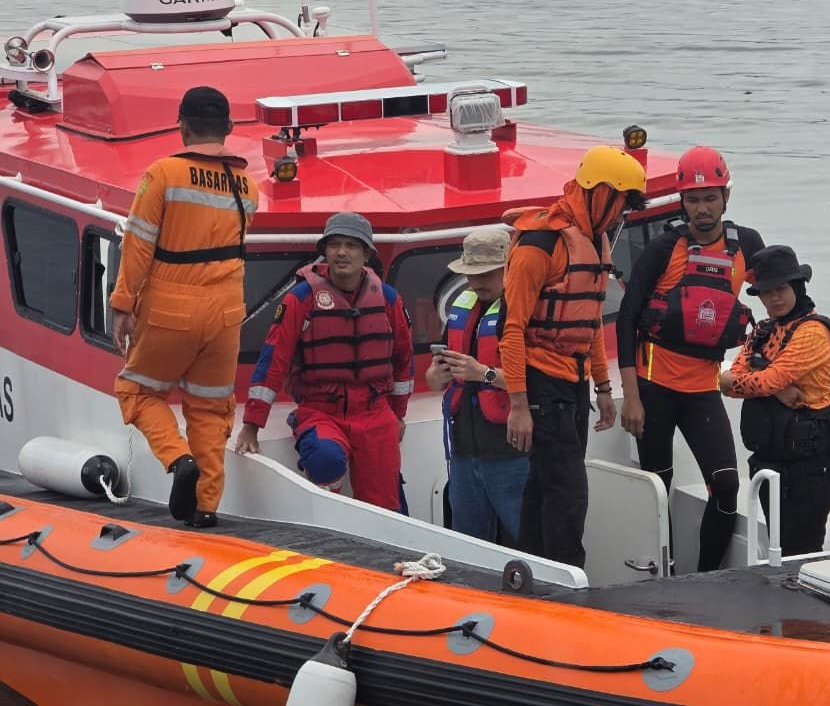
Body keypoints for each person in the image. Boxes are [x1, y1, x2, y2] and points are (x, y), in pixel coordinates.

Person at [110, 86, 257, 528]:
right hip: (227, 313)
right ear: (229, 128)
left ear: (182, 126)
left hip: (171, 307)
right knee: (210, 409)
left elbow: (138, 244)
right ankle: (205, 507)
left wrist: (122, 304)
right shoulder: (247, 185)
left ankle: (179, 460)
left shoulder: (163, 174)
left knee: (136, 391)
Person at [615, 145, 765, 572]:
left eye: (710, 198)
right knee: (658, 487)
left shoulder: (747, 244)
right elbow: (626, 320)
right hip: (653, 388)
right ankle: (663, 574)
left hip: (702, 388)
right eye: (694, 200)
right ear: (682, 201)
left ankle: (705, 577)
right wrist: (631, 397)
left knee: (727, 486)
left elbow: (780, 294)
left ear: (726, 197)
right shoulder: (664, 249)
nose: (702, 208)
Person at [501, 145, 643, 567]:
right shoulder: (539, 245)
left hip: (574, 383)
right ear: (599, 193)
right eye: (620, 205)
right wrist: (518, 405)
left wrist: (603, 387)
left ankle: (531, 572)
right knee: (568, 493)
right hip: (541, 383)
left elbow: (591, 320)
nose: (620, 216)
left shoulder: (596, 240)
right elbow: (511, 329)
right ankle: (566, 580)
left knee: (545, 486)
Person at [234, 213, 414, 512]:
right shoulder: (301, 299)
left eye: (351, 246)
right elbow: (274, 359)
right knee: (325, 458)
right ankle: (330, 512)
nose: (342, 252)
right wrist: (252, 424)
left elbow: (404, 358)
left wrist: (398, 413)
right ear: (325, 251)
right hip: (320, 409)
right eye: (334, 245)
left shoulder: (388, 299)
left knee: (386, 505)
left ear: (366, 254)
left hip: (375, 411)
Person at [720, 246, 830, 557]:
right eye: (767, 292)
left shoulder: (813, 332)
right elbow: (728, 382)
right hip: (770, 456)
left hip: (808, 462)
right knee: (778, 545)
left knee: (803, 548)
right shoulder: (763, 330)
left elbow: (757, 379)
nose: (774, 298)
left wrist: (760, 379)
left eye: (781, 289)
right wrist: (776, 389)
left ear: (797, 287)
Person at [425, 228, 528, 543]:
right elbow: (432, 377)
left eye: (486, 273)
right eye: (471, 274)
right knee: (468, 542)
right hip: (464, 452)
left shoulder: (526, 310)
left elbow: (541, 380)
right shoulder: (463, 305)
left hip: (511, 453)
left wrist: (483, 374)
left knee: (525, 538)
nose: (476, 282)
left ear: (508, 268)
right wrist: (436, 376)